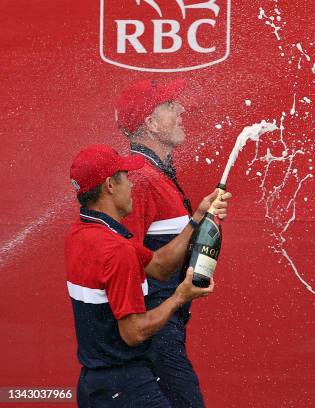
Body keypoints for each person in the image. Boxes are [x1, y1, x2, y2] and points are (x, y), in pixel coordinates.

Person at [65, 144, 229, 407]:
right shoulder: (117, 251)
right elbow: (134, 332)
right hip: (126, 387)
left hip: (95, 385)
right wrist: (179, 297)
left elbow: (159, 266)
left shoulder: (83, 232)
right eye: (126, 178)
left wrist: (198, 216)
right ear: (110, 186)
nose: (131, 185)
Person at [116, 78, 229, 408]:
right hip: (153, 336)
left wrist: (202, 221)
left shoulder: (156, 172)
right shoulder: (138, 178)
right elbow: (125, 261)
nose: (180, 110)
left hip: (164, 328)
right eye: (169, 106)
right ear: (150, 124)